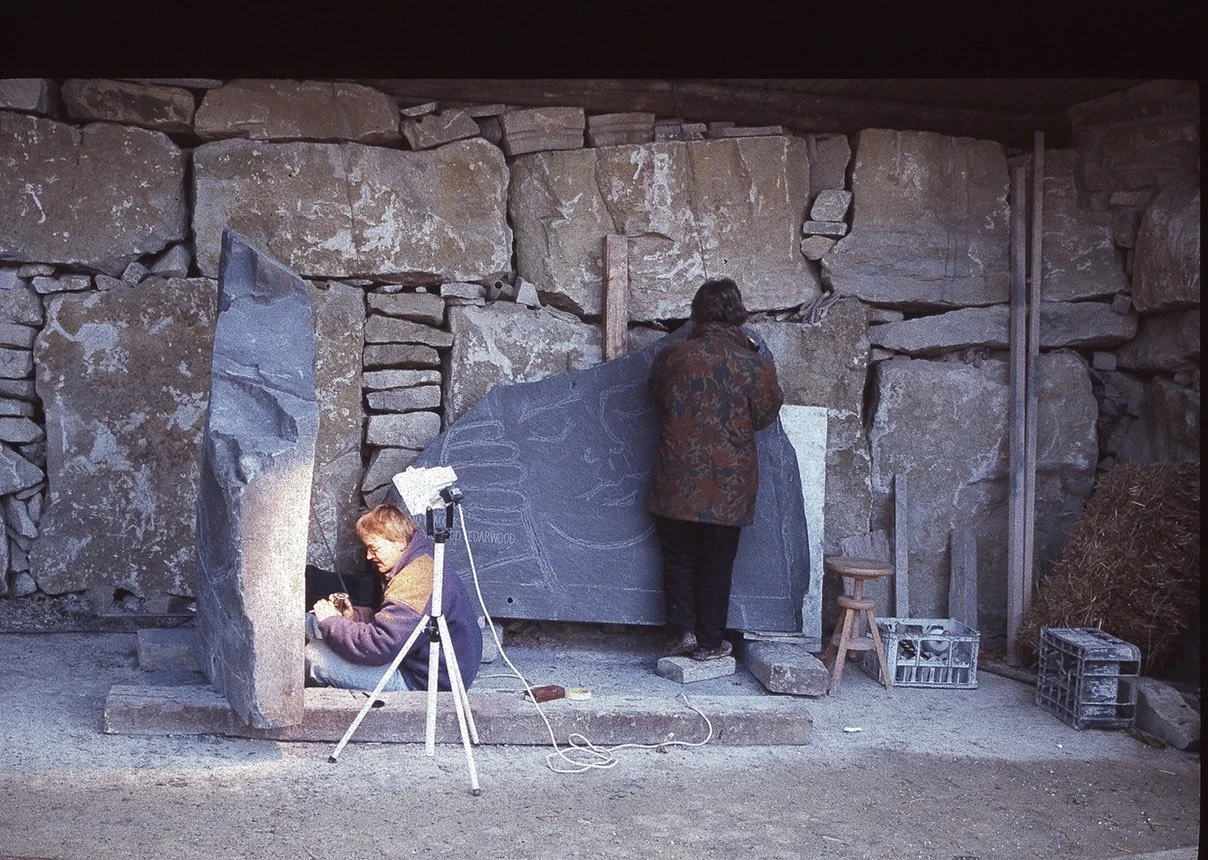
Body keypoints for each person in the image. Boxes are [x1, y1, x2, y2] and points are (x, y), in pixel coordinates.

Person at [647, 277, 784, 661]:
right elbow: (765, 415)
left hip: (676, 479)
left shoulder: (674, 356)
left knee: (677, 557)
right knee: (717, 562)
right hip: (729, 485)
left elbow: (657, 399)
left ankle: (680, 635)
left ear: (697, 312)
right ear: (738, 313)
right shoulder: (753, 363)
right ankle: (710, 643)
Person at [304, 503, 483, 691]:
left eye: (373, 548)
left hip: (425, 684)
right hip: (414, 662)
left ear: (399, 542)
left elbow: (379, 645)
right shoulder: (416, 558)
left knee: (314, 656)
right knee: (311, 622)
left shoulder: (417, 580)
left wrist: (331, 622)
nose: (368, 556)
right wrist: (353, 617)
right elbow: (395, 623)